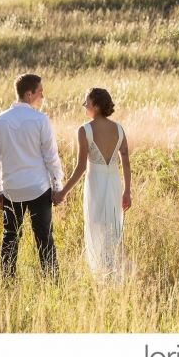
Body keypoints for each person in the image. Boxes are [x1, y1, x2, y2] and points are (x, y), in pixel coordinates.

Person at [0, 73, 64, 281]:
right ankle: (53, 283)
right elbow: (51, 157)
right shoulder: (40, 120)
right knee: (44, 238)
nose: (42, 96)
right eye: (40, 93)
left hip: (12, 190)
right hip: (39, 188)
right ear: (29, 94)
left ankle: (7, 282)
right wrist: (58, 186)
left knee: (10, 237)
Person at [55, 87, 132, 277]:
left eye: (86, 102)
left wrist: (62, 193)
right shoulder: (119, 129)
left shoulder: (84, 130)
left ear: (96, 107)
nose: (83, 105)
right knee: (112, 225)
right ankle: (112, 270)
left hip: (95, 183)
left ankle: (101, 273)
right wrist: (127, 191)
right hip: (114, 182)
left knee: (96, 225)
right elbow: (126, 163)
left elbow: (81, 167)